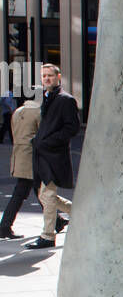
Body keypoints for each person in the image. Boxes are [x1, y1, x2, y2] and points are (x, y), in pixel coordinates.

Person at [25, 64, 79, 250]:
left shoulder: (66, 100)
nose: (47, 78)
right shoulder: (46, 97)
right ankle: (80, 213)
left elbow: (72, 128)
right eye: (44, 76)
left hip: (54, 155)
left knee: (47, 195)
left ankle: (47, 236)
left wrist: (48, 142)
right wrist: (37, 140)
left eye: (50, 75)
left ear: (58, 77)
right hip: (42, 154)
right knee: (44, 195)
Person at [0, 96, 44, 239]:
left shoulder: (17, 112)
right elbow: (42, 135)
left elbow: (13, 133)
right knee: (29, 191)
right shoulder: (38, 112)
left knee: (37, 190)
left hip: (18, 154)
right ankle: (4, 226)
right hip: (31, 156)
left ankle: (57, 220)